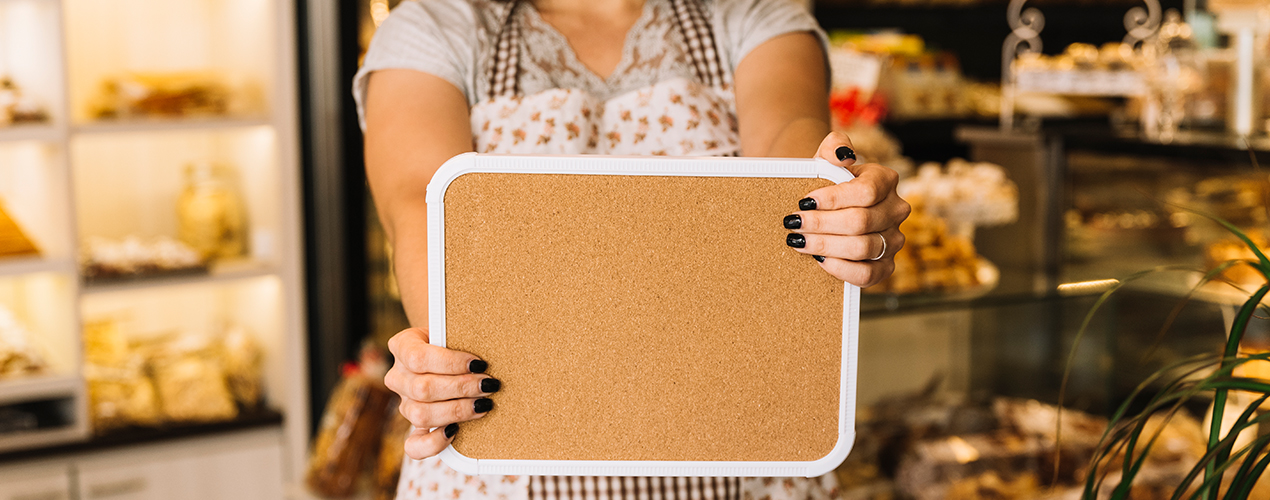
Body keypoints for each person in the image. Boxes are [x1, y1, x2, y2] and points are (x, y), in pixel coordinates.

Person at [354, 0, 910, 498]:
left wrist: (839, 210)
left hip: (747, 448)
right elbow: (420, 210)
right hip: (497, 456)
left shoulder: (752, 15)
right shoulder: (436, 26)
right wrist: (443, 364)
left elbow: (790, 145)